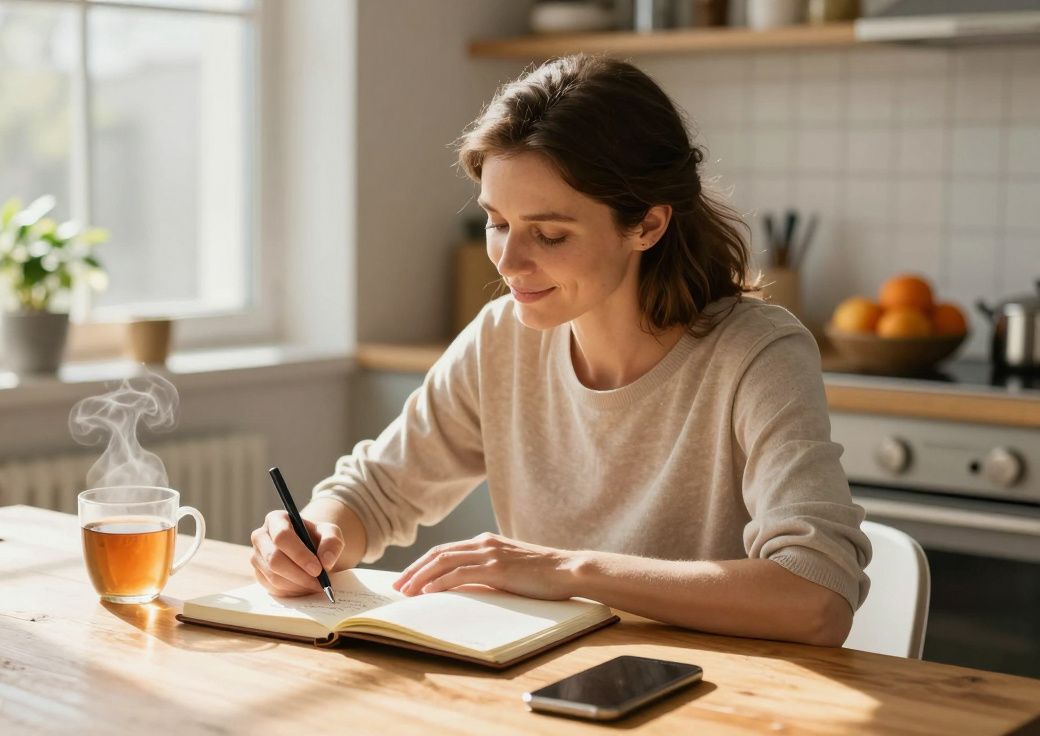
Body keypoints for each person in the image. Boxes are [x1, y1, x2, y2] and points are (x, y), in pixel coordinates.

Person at [249, 54, 870, 646]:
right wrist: (314, 534)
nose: (508, 262)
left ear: (647, 225)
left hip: (718, 691)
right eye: (497, 223)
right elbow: (373, 493)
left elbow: (816, 597)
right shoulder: (502, 337)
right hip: (546, 680)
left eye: (549, 234)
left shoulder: (758, 354)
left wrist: (568, 570)